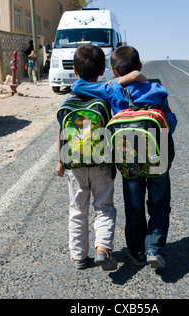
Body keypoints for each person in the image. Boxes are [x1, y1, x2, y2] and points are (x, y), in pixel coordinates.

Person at [71, 45, 177, 269]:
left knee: (134, 206)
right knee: (159, 205)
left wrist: (120, 81)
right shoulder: (157, 88)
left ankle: (137, 253)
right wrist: (138, 76)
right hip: (158, 158)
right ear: (139, 66)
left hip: (128, 161)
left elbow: (77, 85)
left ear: (113, 71)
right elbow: (171, 123)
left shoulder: (113, 90)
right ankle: (154, 249)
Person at [55, 45, 141, 271]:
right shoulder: (106, 91)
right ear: (103, 70)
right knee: (104, 207)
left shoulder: (68, 98)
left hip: (75, 163)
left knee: (77, 210)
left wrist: (60, 161)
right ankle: (103, 248)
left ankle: (79, 256)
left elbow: (61, 133)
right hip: (101, 163)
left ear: (74, 70)